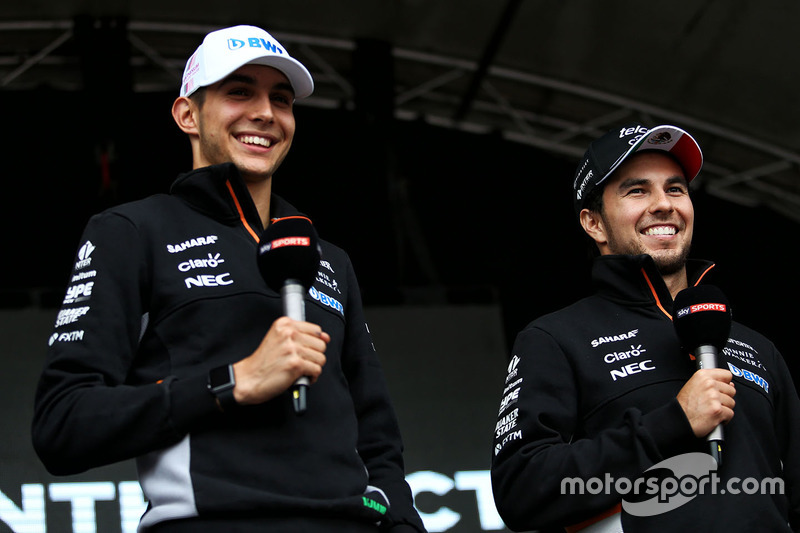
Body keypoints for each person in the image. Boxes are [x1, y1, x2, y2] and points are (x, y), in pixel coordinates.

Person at [32, 24, 426, 533]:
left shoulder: (328, 258)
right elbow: (63, 424)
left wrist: (401, 524)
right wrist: (233, 382)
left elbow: (378, 441)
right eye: (239, 91)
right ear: (187, 115)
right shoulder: (131, 232)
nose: (265, 112)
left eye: (280, 99)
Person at [490, 123, 800, 532]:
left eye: (676, 189)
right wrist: (671, 423)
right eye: (637, 191)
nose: (664, 205)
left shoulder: (756, 348)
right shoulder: (556, 339)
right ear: (593, 223)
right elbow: (520, 488)